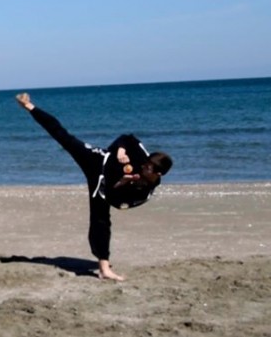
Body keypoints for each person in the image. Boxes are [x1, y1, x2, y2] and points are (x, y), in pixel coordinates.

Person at [15, 93, 172, 281]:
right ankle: (29, 106)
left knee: (101, 221)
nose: (144, 166)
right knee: (64, 137)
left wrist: (121, 183)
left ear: (158, 174)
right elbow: (127, 138)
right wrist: (120, 150)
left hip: (104, 189)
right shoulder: (144, 157)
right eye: (146, 163)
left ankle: (104, 268)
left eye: (149, 168)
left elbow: (117, 202)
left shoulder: (144, 193)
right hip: (98, 161)